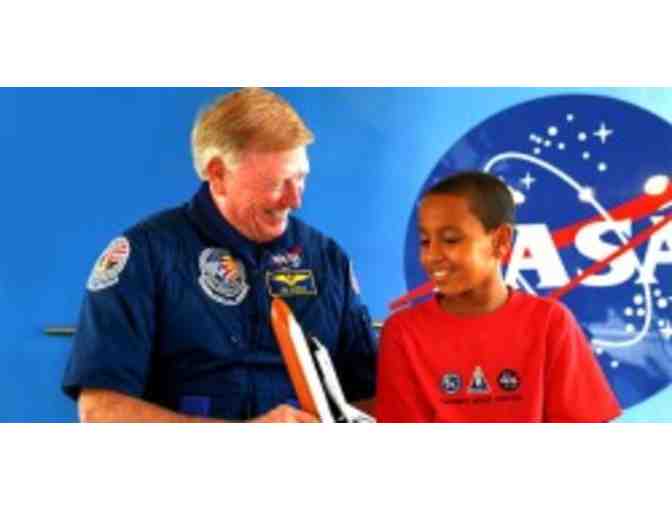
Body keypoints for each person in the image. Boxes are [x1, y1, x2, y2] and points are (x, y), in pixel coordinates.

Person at [62, 88, 377, 422]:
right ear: (218, 174)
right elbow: (100, 410)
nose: (294, 200)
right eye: (276, 183)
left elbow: (371, 397)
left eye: (301, 179)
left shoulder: (327, 261)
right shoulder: (145, 257)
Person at [375, 171, 621, 422]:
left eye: (450, 239)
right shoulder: (402, 332)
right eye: (425, 241)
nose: (432, 255)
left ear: (500, 241)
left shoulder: (550, 322)